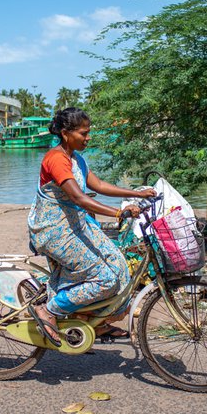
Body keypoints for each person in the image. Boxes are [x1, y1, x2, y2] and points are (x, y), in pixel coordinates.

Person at [27, 107, 156, 345]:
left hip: (75, 226)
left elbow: (98, 185)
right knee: (104, 279)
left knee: (119, 266)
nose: (88, 138)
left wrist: (137, 193)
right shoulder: (56, 159)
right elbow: (79, 198)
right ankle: (49, 309)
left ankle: (92, 321)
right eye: (83, 133)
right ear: (66, 133)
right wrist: (118, 212)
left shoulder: (76, 159)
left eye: (89, 133)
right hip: (53, 230)